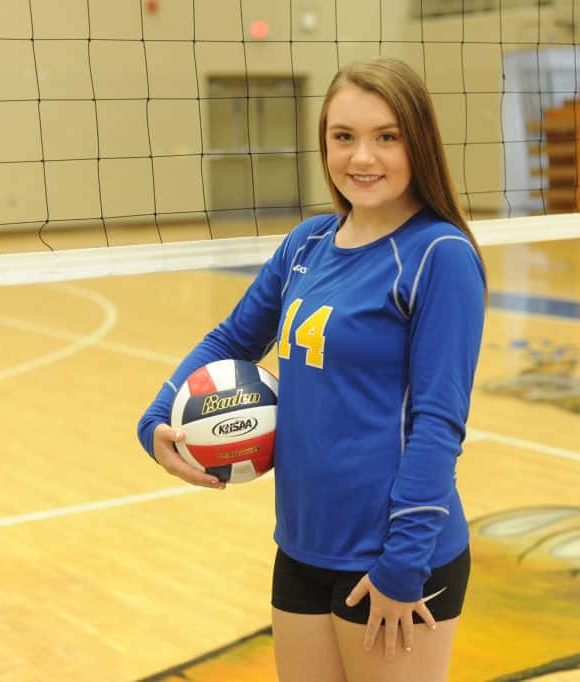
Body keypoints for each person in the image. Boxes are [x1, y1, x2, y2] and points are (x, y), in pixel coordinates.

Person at [137, 56, 486, 682]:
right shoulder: (308, 243)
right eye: (343, 136)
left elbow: (438, 422)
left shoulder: (440, 255)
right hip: (302, 545)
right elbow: (232, 338)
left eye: (386, 136)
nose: (362, 157)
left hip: (393, 554)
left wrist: (403, 565)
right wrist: (158, 417)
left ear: (419, 142)